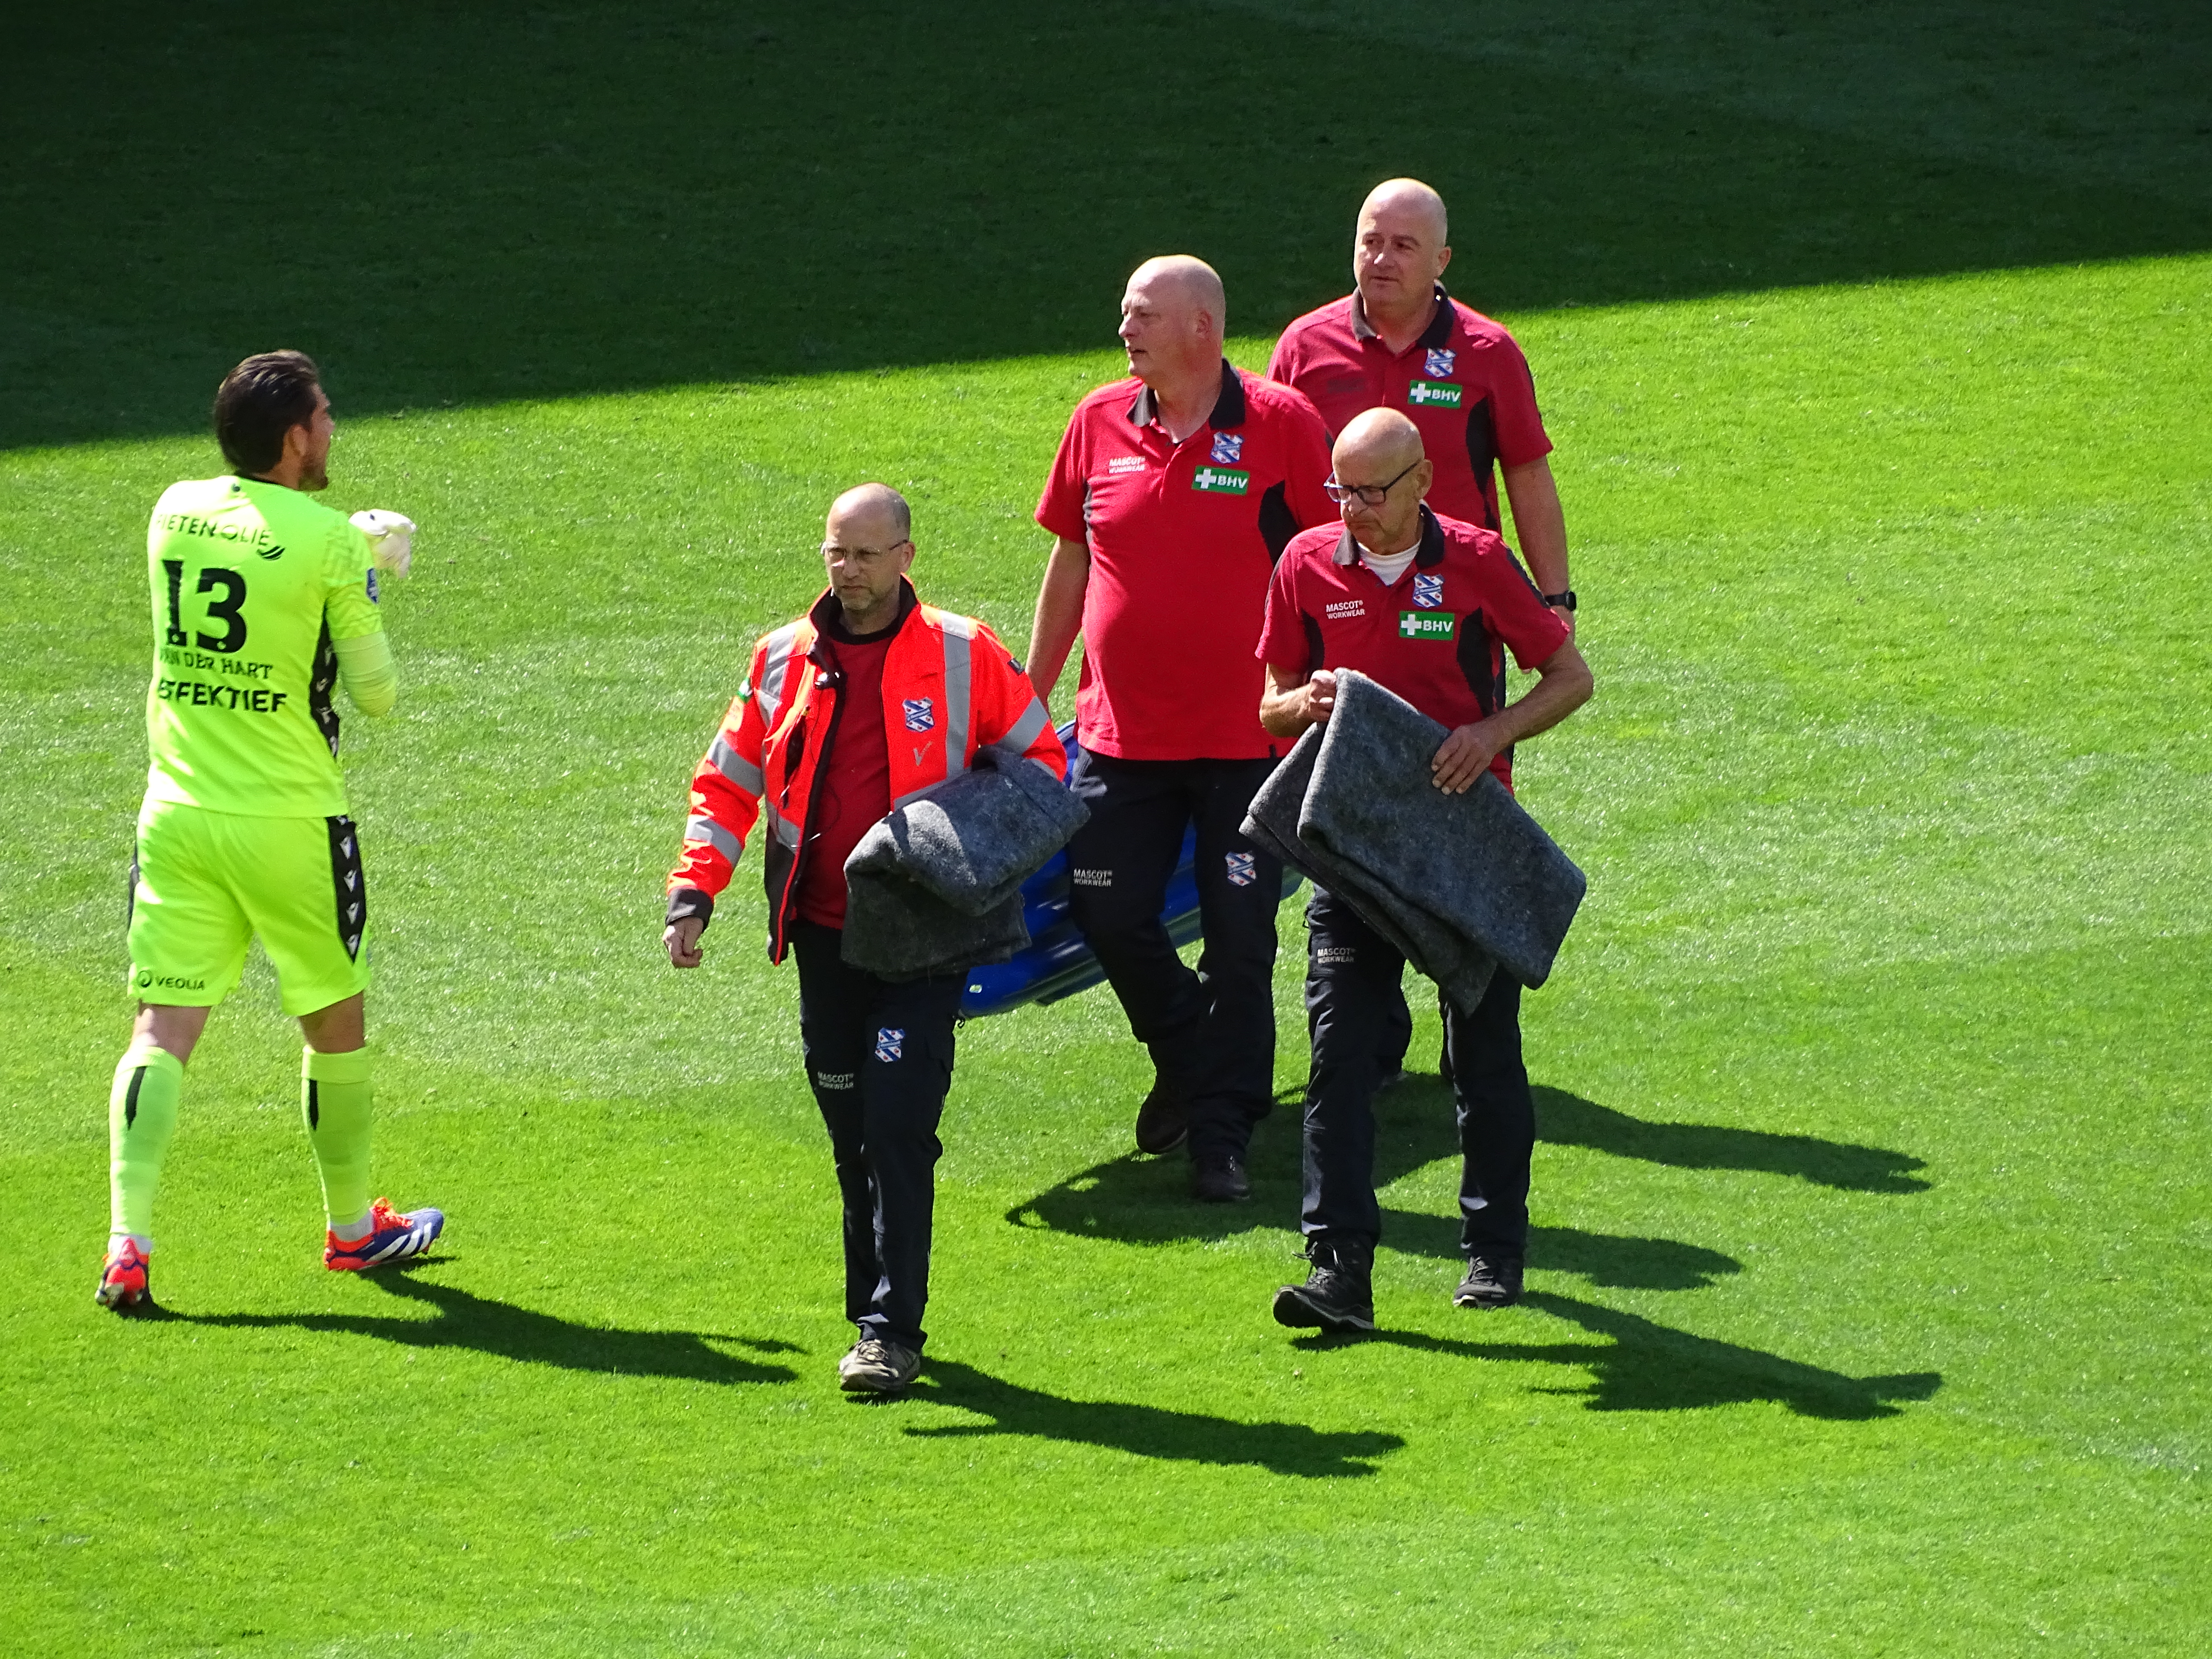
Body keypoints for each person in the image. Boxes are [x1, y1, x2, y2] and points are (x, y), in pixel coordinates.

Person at [664, 484, 1062, 1394]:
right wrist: (695, 892)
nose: (850, 571)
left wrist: (967, 854)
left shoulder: (965, 654)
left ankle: (890, 1330)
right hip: (823, 936)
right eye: (837, 553)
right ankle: (872, 1314)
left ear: (907, 557)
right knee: (850, 1132)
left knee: (895, 1128)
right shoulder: (780, 659)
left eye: (869, 554)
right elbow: (725, 784)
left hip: (923, 940)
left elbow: (1040, 764)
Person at [96, 350, 441, 1314]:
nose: (333, 430)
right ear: (296, 437)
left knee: (161, 1030)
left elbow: (249, 558)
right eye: (326, 418)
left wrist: (338, 549)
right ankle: (352, 1230)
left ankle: (128, 1244)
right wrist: (366, 579)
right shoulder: (329, 543)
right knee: (334, 1021)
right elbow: (376, 698)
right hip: (290, 819)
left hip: (177, 814)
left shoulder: (172, 509)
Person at [1256, 410, 1592, 1332]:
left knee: (1483, 1059)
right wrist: (1303, 702)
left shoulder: (1479, 561)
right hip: (1355, 848)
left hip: (1464, 845)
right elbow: (1268, 705)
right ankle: (1339, 1273)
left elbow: (1570, 677)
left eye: (1371, 491)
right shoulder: (1307, 564)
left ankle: (1494, 1251)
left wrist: (1490, 736)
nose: (1353, 509)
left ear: (1420, 486)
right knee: (1339, 1059)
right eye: (1342, 491)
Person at [1028, 256, 1335, 1201]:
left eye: (1143, 315)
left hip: (1251, 741)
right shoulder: (1096, 420)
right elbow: (1070, 565)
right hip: (1120, 738)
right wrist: (1026, 699)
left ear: (1202, 327)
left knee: (1243, 937)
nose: (1125, 328)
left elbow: (1327, 563)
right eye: (1126, 312)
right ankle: (1192, 1052)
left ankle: (1222, 1138)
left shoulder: (1283, 425)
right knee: (1107, 910)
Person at [1269, 176, 1579, 1084]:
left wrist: (1552, 600)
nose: (1382, 258)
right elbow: (1281, 484)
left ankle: (1469, 1001)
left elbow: (1525, 472)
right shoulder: (1305, 348)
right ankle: (1371, 1002)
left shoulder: (1487, 351)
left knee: (1465, 784)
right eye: (1370, 239)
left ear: (1442, 260)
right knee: (1347, 807)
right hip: (1342, 601)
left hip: (1460, 606)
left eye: (1404, 245)